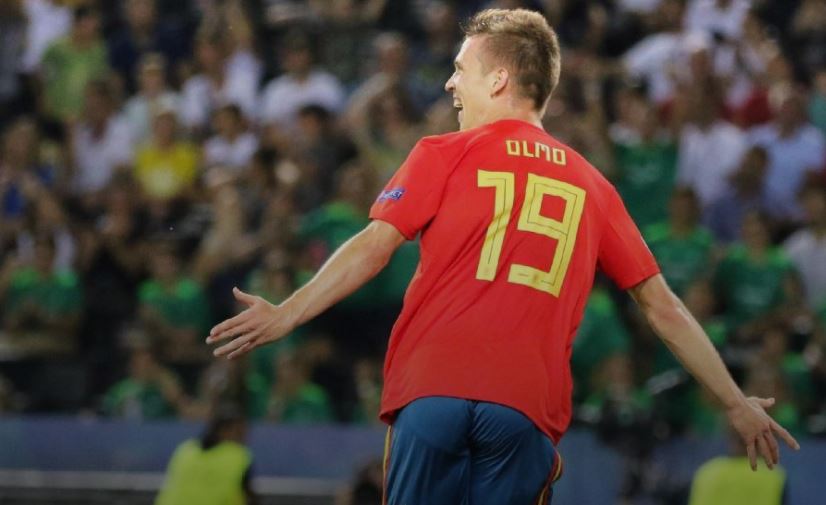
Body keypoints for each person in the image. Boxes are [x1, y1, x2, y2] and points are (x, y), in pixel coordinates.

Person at [208, 8, 799, 504]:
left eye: (460, 69)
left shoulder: (443, 152)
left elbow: (373, 247)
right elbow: (662, 306)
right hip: (524, 406)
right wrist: (734, 402)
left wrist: (287, 312)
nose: (449, 84)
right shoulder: (594, 186)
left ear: (497, 81)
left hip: (432, 388)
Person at [155, 405, 255, 505]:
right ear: (223, 431)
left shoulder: (185, 449)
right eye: (239, 433)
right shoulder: (238, 456)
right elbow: (250, 498)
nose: (244, 439)